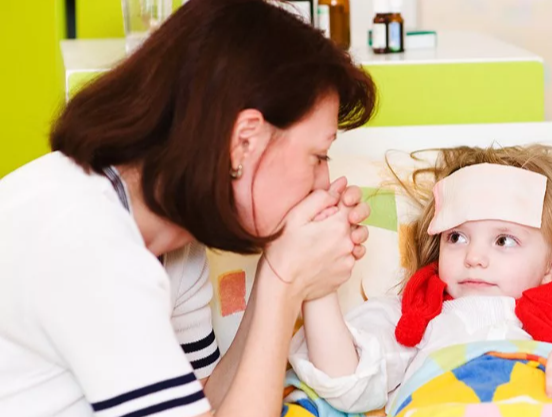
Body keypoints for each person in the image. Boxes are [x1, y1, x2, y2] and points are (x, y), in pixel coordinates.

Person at [0, 0, 377, 416]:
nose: (324, 182)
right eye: (318, 156)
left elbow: (207, 399)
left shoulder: (174, 243)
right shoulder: (92, 244)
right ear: (244, 141)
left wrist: (282, 268)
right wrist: (285, 282)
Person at [289, 145, 552, 417]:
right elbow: (344, 381)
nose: (474, 257)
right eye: (456, 237)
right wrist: (318, 282)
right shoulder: (413, 315)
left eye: (504, 241)